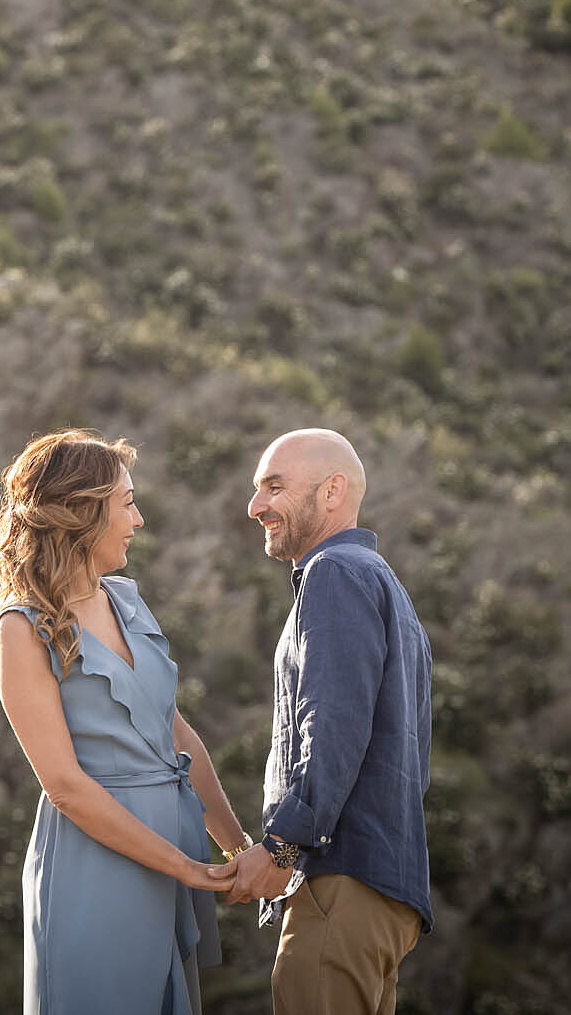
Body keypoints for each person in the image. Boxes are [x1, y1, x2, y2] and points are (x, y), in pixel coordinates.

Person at [0, 429, 247, 1015]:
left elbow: (178, 735)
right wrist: (186, 868)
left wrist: (235, 849)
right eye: (128, 503)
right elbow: (64, 786)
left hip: (172, 855)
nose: (138, 520)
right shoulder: (21, 627)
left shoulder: (128, 599)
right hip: (96, 864)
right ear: (83, 514)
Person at [223, 428, 434, 1015]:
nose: (255, 506)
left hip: (339, 888)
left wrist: (282, 847)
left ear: (332, 491)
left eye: (274, 487)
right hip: (383, 892)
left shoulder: (334, 575)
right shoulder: (388, 589)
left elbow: (333, 725)